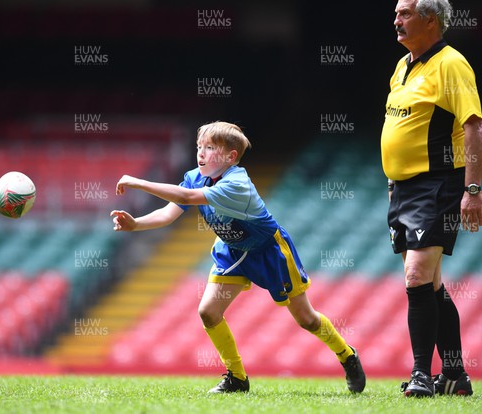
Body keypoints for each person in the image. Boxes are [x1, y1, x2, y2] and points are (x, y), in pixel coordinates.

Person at [111, 121, 366, 394]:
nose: (201, 153)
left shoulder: (237, 184)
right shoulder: (195, 176)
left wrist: (137, 182)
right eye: (199, 146)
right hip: (232, 250)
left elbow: (186, 196)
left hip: (269, 251)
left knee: (306, 319)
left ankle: (346, 355)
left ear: (231, 157)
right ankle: (237, 378)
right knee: (208, 312)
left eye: (210, 147)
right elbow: (168, 213)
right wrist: (135, 224)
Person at [381, 0, 482, 398]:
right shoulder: (404, 65)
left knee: (416, 277)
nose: (396, 20)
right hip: (403, 188)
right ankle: (456, 375)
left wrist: (472, 191)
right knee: (433, 286)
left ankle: (422, 374)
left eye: (404, 13)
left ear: (431, 20)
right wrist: (393, 181)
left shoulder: (451, 63)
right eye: (396, 13)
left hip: (439, 183)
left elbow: (474, 127)